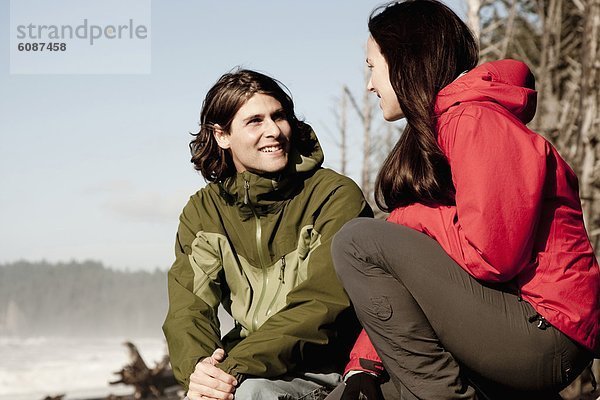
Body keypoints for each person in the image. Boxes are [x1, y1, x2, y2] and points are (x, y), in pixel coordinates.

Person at [330, 1, 600, 399]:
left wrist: (412, 218)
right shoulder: (442, 128)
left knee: (356, 240)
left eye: (372, 66)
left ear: (407, 60)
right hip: (502, 324)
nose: (368, 84)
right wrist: (362, 366)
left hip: (546, 331)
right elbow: (421, 274)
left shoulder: (475, 121)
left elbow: (492, 255)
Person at [162, 69, 372, 400]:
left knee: (252, 394)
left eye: (279, 116)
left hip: (324, 367)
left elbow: (323, 304)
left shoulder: (333, 195)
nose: (273, 130)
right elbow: (189, 307)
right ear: (222, 135)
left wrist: (230, 370)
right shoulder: (204, 211)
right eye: (255, 121)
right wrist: (200, 368)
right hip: (247, 368)